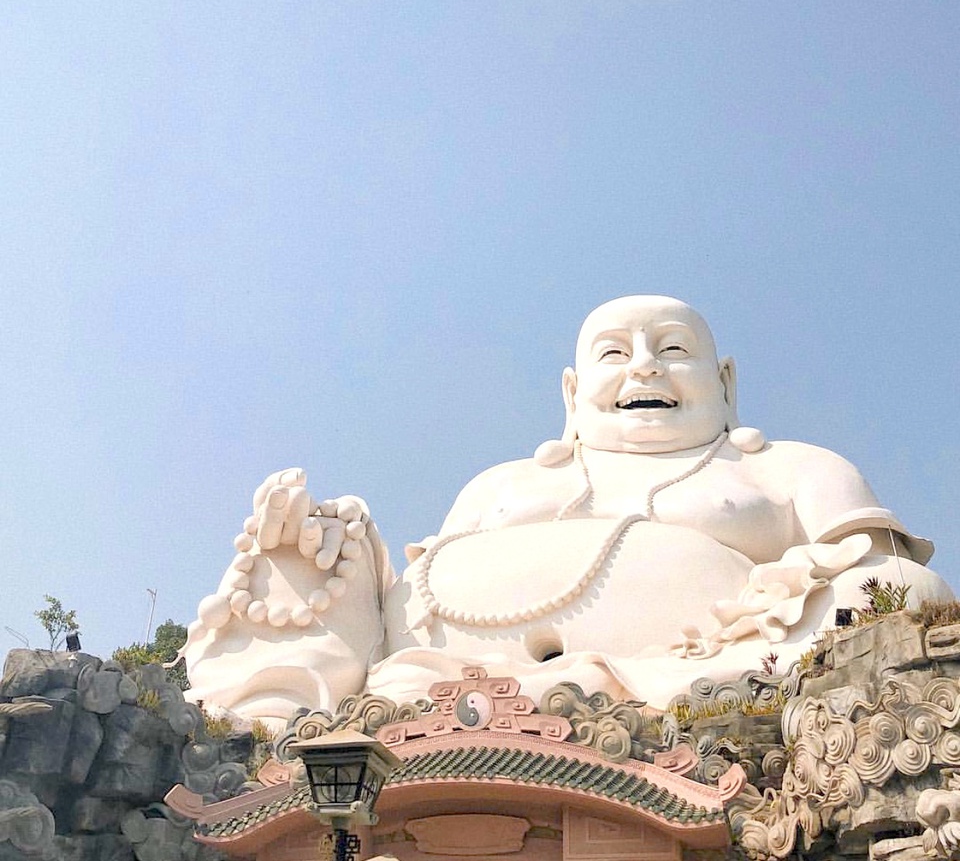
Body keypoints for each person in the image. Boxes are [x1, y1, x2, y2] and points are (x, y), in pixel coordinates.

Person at [183, 296, 952, 723]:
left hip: (697, 684)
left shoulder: (791, 467)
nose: (643, 364)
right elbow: (391, 615)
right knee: (318, 558)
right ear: (569, 392)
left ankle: (625, 682)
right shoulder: (499, 484)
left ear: (725, 380)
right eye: (614, 352)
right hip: (437, 685)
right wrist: (325, 548)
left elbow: (893, 587)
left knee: (909, 594)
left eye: (672, 347)